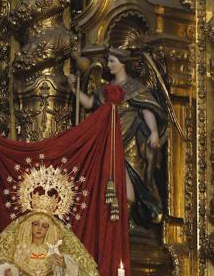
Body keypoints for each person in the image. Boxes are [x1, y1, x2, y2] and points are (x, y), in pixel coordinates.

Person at [67, 48, 167, 226]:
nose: (108, 65)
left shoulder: (135, 87)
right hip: (108, 141)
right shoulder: (105, 89)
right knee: (107, 185)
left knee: (134, 184)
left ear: (122, 64)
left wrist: (153, 131)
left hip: (131, 141)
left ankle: (127, 223)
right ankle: (114, 224)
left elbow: (146, 109)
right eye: (108, 61)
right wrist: (74, 89)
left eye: (112, 61)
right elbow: (90, 103)